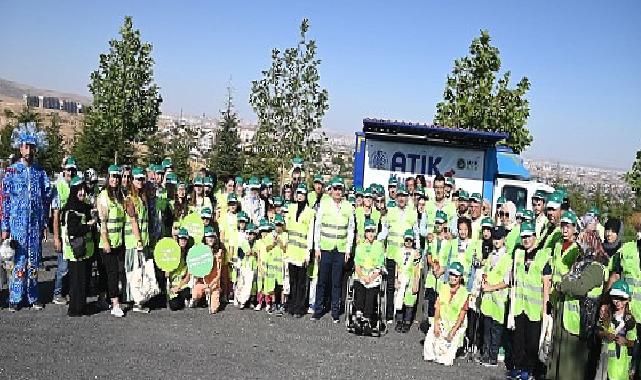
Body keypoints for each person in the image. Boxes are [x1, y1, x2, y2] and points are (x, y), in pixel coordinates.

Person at [2, 123, 51, 311]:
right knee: (17, 261)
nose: (28, 150)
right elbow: (5, 200)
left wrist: (44, 223)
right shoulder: (12, 171)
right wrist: (5, 226)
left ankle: (32, 295)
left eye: (32, 146)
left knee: (33, 260)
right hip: (17, 225)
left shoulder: (40, 173)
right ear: (20, 147)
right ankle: (14, 297)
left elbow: (46, 198)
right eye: (25, 146)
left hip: (34, 227)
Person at [509, 221, 552, 380]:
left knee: (532, 342)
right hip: (520, 305)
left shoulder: (543, 256)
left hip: (535, 308)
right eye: (523, 237)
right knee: (518, 339)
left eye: (528, 236)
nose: (526, 240)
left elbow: (546, 284)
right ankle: (517, 366)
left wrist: (545, 309)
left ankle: (528, 368)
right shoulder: (518, 254)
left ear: (535, 236)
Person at [311, 176, 354, 323]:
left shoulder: (349, 207)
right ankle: (318, 310)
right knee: (322, 281)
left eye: (339, 189)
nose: (337, 191)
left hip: (340, 250)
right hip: (325, 248)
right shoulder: (324, 204)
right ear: (331, 190)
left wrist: (348, 249)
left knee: (336, 282)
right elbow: (318, 227)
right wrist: (317, 247)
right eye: (335, 189)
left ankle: (335, 312)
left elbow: (351, 230)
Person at [606, 213, 641, 380]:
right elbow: (615, 276)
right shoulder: (626, 250)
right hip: (627, 314)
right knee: (625, 359)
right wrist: (606, 303)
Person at [379, 183, 418, 323]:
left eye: (404, 196)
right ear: (396, 197)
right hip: (392, 255)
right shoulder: (390, 211)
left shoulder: (412, 212)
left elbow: (416, 234)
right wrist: (377, 242)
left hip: (406, 258)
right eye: (399, 196)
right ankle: (390, 315)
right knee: (391, 286)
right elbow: (384, 232)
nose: (401, 198)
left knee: (405, 286)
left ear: (407, 198)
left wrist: (417, 250)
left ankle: (402, 316)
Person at [60, 176, 96, 317]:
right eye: (79, 190)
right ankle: (75, 309)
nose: (82, 193)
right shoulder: (71, 209)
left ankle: (82, 306)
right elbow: (73, 230)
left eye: (83, 189)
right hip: (75, 251)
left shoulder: (84, 207)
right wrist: (88, 226)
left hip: (84, 250)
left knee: (83, 280)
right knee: (76, 281)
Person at [423, 262, 469, 366]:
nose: (453, 277)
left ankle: (460, 345)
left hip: (455, 326)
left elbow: (462, 315)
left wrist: (453, 331)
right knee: (429, 353)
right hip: (442, 322)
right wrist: (436, 325)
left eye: (456, 276)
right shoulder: (443, 288)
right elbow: (438, 307)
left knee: (445, 360)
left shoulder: (464, 293)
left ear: (460, 277)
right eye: (451, 274)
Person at [479, 226, 512, 367]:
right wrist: (484, 279)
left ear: (504, 239)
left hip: (498, 300)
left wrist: (490, 287)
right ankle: (485, 354)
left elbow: (506, 282)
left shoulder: (508, 258)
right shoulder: (491, 255)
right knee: (486, 329)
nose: (496, 241)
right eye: (494, 238)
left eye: (499, 238)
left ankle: (493, 356)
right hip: (487, 300)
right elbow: (486, 271)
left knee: (496, 330)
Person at [97, 165, 126, 317]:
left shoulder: (120, 195)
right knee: (112, 273)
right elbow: (102, 221)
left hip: (119, 241)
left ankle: (103, 297)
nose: (115, 180)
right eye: (112, 177)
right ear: (108, 178)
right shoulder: (104, 196)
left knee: (113, 272)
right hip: (107, 242)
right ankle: (115, 304)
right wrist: (106, 241)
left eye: (117, 177)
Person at [596, 280, 637, 380]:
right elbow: (598, 331)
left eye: (621, 299)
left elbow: (633, 343)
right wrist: (604, 335)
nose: (618, 302)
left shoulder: (629, 320)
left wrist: (626, 341)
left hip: (620, 367)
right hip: (604, 364)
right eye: (615, 298)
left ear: (627, 299)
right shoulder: (606, 313)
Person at [123, 167, 151, 313]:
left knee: (141, 272)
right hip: (134, 243)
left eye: (142, 179)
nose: (140, 182)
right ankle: (136, 301)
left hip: (143, 242)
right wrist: (139, 240)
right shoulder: (129, 199)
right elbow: (133, 221)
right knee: (135, 273)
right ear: (132, 181)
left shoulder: (142, 197)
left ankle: (140, 299)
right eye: (137, 179)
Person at [285, 183, 315, 318]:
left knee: (301, 282)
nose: (300, 196)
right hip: (291, 251)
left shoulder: (310, 212)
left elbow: (310, 234)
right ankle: (290, 305)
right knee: (292, 281)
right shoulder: (290, 208)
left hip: (302, 253)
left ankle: (299, 308)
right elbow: (286, 230)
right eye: (298, 194)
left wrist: (308, 253)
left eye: (302, 194)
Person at [52, 156, 78, 305]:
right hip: (63, 230)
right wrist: (56, 237)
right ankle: (57, 293)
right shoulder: (59, 186)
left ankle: (68, 291)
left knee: (72, 266)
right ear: (64, 170)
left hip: (73, 230)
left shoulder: (75, 184)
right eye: (68, 169)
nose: (70, 172)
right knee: (63, 266)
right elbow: (56, 215)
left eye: (73, 170)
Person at [352, 219, 385, 335]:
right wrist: (363, 276)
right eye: (368, 231)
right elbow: (357, 265)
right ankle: (359, 315)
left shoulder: (379, 246)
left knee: (371, 294)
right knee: (360, 290)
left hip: (373, 276)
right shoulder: (360, 246)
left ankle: (366, 320)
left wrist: (370, 278)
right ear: (365, 233)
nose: (370, 234)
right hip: (361, 275)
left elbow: (379, 266)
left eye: (372, 231)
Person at [394, 229, 421, 333]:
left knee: (409, 302)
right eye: (407, 240)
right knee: (399, 300)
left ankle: (407, 322)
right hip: (401, 278)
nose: (408, 242)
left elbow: (417, 268)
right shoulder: (399, 251)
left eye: (410, 240)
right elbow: (397, 266)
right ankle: (399, 321)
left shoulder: (416, 253)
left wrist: (416, 282)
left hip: (411, 279)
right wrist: (396, 279)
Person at [191, 226, 223, 314]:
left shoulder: (218, 253)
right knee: (195, 293)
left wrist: (211, 286)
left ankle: (212, 298)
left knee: (214, 310)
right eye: (208, 237)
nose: (211, 239)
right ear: (205, 238)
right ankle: (198, 299)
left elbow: (218, 274)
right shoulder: (201, 252)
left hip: (213, 284)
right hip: (203, 282)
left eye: (212, 237)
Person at [234, 222, 258, 309]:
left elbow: (257, 253)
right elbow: (244, 253)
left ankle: (251, 301)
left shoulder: (257, 243)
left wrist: (254, 253)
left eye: (253, 234)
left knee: (253, 285)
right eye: (250, 234)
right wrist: (251, 253)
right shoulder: (243, 242)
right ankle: (242, 301)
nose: (251, 236)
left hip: (254, 266)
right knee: (243, 284)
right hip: (245, 266)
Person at [167, 228, 191, 311]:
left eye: (185, 239)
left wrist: (179, 286)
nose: (183, 241)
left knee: (188, 293)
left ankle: (185, 298)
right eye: (181, 239)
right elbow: (167, 275)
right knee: (174, 306)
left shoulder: (189, 254)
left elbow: (188, 276)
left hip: (183, 283)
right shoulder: (172, 253)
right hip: (173, 283)